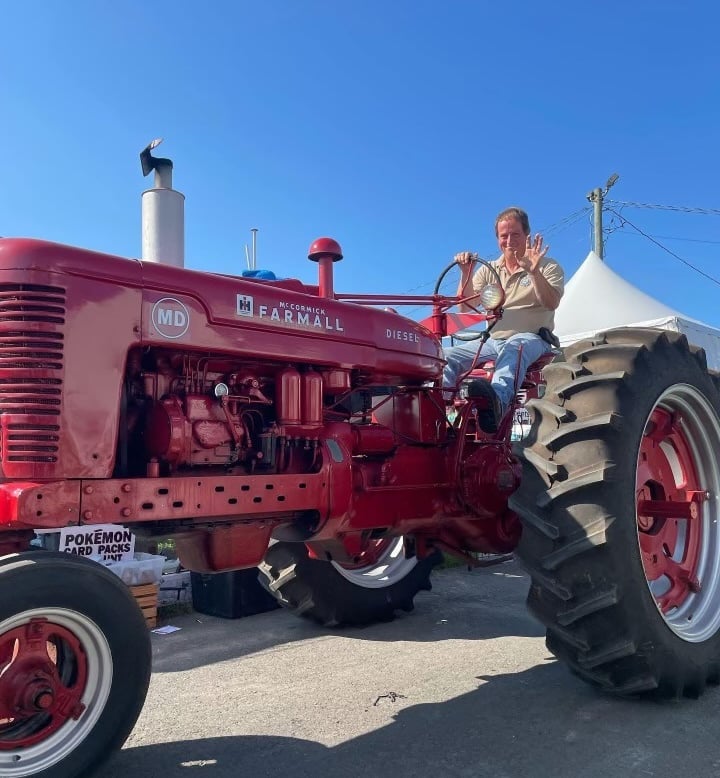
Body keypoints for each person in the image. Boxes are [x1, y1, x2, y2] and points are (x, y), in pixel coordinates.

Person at [443, 206, 565, 430]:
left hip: (532, 339)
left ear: (527, 235)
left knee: (514, 347)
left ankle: (496, 402)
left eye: (515, 234)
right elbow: (465, 307)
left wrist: (533, 272)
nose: (509, 241)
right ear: (497, 239)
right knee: (445, 356)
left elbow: (551, 302)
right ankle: (438, 410)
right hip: (493, 341)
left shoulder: (547, 266)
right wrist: (465, 272)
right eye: (504, 236)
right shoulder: (489, 270)